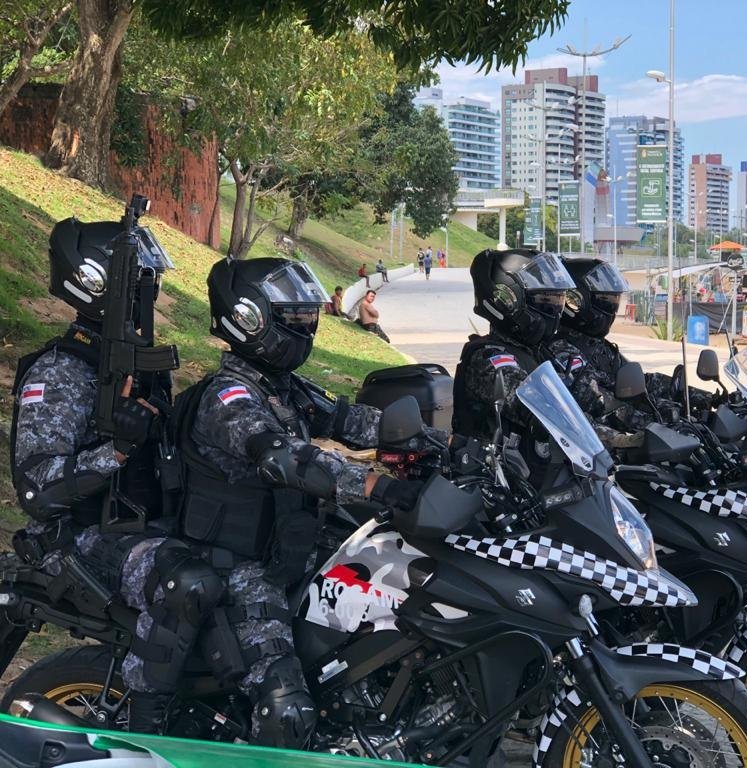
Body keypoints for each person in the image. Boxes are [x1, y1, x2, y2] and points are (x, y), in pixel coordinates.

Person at [178, 257, 421, 748]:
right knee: (286, 709)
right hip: (240, 568)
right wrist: (375, 485)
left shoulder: (281, 387)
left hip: (292, 549)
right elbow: (285, 458)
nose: (306, 327)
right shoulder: (228, 397)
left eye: (309, 316)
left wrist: (439, 443)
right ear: (249, 320)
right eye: (295, 318)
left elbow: (351, 420)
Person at [10, 211, 223, 733]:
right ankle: (147, 734)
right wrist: (117, 450)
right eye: (139, 282)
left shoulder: (136, 365)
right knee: (185, 581)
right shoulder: (61, 372)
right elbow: (38, 489)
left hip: (142, 525)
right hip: (83, 536)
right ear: (94, 282)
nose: (150, 293)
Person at [452, 249, 608, 480]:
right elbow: (540, 410)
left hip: (537, 482)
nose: (554, 310)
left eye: (557, 300)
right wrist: (612, 438)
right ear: (507, 301)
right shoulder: (488, 359)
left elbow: (589, 397)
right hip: (492, 485)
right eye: (545, 300)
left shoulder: (541, 353)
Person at [551, 257, 707, 428]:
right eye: (605, 302)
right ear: (577, 302)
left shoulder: (596, 346)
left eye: (614, 303)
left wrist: (701, 397)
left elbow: (640, 383)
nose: (611, 310)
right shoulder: (562, 351)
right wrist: (658, 418)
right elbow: (602, 404)